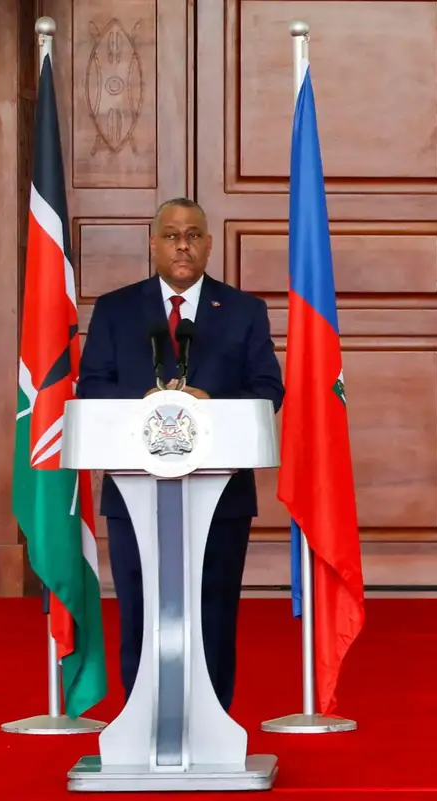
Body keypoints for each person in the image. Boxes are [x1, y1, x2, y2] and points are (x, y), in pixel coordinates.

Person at [78, 197, 284, 711]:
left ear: (209, 244)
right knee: (140, 603)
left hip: (221, 495)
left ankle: (214, 714)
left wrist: (209, 404)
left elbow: (267, 389)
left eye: (193, 235)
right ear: (153, 244)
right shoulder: (115, 308)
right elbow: (92, 387)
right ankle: (139, 714)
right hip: (134, 489)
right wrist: (141, 406)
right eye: (171, 235)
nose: (183, 245)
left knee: (213, 606)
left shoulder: (243, 311)